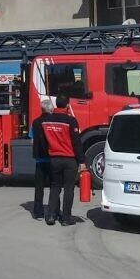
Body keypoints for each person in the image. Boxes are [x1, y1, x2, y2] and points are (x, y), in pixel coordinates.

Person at [41, 94, 86, 226]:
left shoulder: (46, 121)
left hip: (54, 159)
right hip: (69, 159)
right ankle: (66, 218)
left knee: (55, 187)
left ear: (56, 104)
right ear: (67, 105)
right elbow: (76, 142)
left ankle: (51, 215)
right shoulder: (71, 121)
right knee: (68, 189)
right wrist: (81, 161)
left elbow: (43, 141)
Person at [30, 99, 53, 220]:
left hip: (39, 159)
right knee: (54, 186)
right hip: (52, 158)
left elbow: (32, 140)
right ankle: (54, 211)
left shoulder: (35, 122)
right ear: (51, 109)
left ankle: (38, 212)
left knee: (39, 187)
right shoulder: (53, 121)